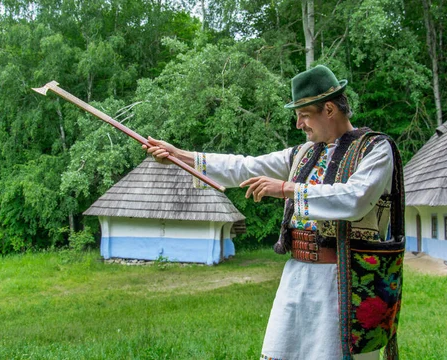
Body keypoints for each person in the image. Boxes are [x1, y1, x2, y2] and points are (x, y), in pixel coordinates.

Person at [144, 65, 405, 360]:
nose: (298, 124)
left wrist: (287, 188)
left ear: (329, 109)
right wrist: (181, 155)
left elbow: (356, 198)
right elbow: (244, 166)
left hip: (345, 281)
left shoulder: (375, 149)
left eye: (304, 115)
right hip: (298, 277)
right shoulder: (303, 153)